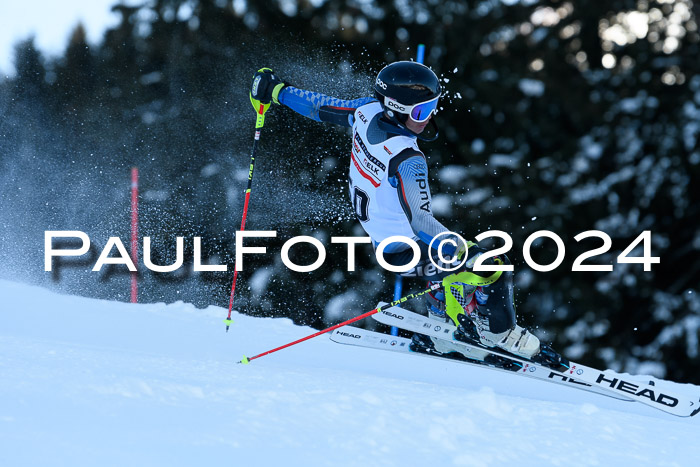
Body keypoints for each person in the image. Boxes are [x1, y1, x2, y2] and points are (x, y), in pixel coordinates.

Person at [250, 63, 541, 362]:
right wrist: (465, 254)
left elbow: (318, 107)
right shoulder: (409, 159)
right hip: (406, 251)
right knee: (492, 265)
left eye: (432, 107)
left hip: (382, 241)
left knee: (451, 255)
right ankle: (499, 335)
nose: (428, 118)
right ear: (397, 109)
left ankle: (442, 323)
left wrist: (276, 91)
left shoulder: (365, 112)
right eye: (420, 112)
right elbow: (421, 221)